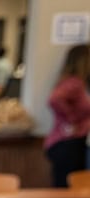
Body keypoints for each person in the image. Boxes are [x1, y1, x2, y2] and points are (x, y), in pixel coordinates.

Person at [44, 44, 90, 188]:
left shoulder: (78, 83)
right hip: (67, 143)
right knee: (67, 190)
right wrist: (72, 120)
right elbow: (54, 99)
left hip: (72, 143)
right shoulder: (74, 83)